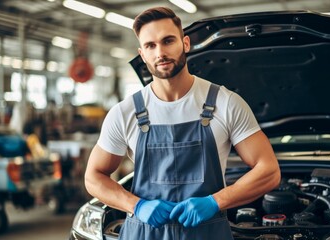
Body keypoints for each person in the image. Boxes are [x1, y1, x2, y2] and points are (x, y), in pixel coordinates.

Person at [85, 6, 281, 240]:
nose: (160, 53)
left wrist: (215, 201)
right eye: (150, 45)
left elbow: (268, 171)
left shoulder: (225, 103)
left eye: (168, 41)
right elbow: (93, 177)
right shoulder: (124, 113)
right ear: (142, 53)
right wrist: (136, 205)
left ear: (185, 43)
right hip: (144, 234)